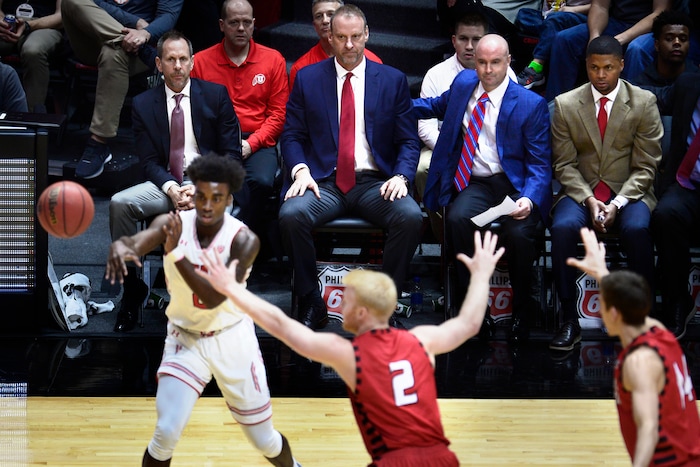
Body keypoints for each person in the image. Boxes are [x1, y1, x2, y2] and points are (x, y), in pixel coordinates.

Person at [196, 230, 504, 466]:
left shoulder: (348, 354)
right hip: (442, 458)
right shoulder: (421, 340)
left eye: (348, 298)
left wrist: (232, 290)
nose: (340, 303)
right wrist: (481, 276)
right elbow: (469, 324)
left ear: (362, 313)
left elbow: (282, 326)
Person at [105, 154, 301, 467]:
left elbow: (213, 297)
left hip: (232, 339)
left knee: (264, 439)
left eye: (216, 198)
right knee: (165, 434)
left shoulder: (244, 240)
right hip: (185, 338)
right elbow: (140, 240)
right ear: (191, 194)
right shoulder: (172, 224)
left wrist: (177, 255)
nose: (207, 205)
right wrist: (123, 246)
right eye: (201, 196)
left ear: (229, 200)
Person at [279, 4, 424, 330]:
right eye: (340, 37)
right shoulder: (308, 78)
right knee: (290, 216)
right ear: (329, 37)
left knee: (412, 217)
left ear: (366, 35)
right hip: (325, 182)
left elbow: (409, 141)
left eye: (355, 37)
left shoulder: (392, 80)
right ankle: (311, 302)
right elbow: (291, 136)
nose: (348, 45)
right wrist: (300, 170)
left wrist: (402, 175)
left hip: (375, 182)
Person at [412, 34, 552, 344]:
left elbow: (541, 166)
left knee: (518, 235)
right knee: (458, 219)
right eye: (482, 63)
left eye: (495, 63)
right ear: (474, 62)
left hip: (516, 185)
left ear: (508, 61)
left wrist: (529, 199)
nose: (488, 70)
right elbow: (433, 105)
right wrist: (388, 105)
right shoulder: (464, 84)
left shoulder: (531, 104)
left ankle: (523, 309)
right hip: (477, 182)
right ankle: (474, 309)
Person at [109, 30, 243, 333]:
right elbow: (148, 163)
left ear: (193, 62)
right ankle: (132, 290)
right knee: (119, 204)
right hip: (166, 182)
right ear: (159, 64)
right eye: (171, 59)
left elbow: (232, 156)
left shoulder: (215, 95)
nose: (178, 65)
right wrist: (171, 188)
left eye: (184, 59)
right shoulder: (143, 104)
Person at [549, 35, 662, 351]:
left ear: (622, 66)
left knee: (638, 228)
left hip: (629, 193)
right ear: (586, 65)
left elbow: (646, 167)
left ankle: (641, 320)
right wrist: (589, 199)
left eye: (608, 68)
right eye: (594, 68)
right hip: (580, 192)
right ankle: (569, 319)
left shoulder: (643, 102)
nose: (601, 75)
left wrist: (618, 202)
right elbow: (564, 165)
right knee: (561, 228)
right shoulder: (566, 104)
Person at [566, 227, 700, 466]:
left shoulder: (640, 362)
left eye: (602, 305)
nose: (599, 311)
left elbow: (648, 427)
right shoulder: (659, 332)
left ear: (615, 313)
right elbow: (623, 298)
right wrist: (602, 273)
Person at [191, 0, 288, 238]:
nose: (241, 28)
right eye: (234, 23)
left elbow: (278, 115)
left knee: (263, 182)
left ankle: (242, 240)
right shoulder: (201, 61)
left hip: (257, 140)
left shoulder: (273, 59)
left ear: (254, 25)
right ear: (222, 25)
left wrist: (251, 144)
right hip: (213, 141)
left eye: (247, 22)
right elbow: (191, 111)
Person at [417, 11, 517, 242]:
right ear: (454, 41)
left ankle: (482, 236)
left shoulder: (507, 75)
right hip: (443, 145)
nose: (470, 46)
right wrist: (456, 152)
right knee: (424, 166)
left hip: (490, 150)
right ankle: (443, 236)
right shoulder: (436, 74)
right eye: (463, 39)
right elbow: (425, 127)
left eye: (476, 39)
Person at [61, 0, 183, 179]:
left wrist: (145, 32)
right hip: (94, 39)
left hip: (139, 45)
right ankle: (135, 46)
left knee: (113, 54)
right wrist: (135, 23)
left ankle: (98, 143)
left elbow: (168, 16)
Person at [650, 71, 700, 339]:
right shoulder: (689, 82)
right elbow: (658, 96)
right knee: (666, 215)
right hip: (689, 183)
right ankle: (678, 302)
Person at [544, 0, 672, 102]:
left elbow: (659, 12)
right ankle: (555, 108)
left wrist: (619, 40)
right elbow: (600, 6)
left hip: (649, 28)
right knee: (565, 39)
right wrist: (594, 37)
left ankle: (628, 111)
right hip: (616, 22)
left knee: (636, 49)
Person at [288, 0, 382, 90]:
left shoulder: (373, 61)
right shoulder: (301, 68)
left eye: (331, 14)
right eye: (319, 16)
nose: (325, 20)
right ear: (314, 25)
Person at [0, 0, 63, 112]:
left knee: (33, 51)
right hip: (9, 20)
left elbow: (62, 15)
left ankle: (30, 117)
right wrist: (2, 22)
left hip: (45, 24)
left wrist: (28, 25)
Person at [514, 0, 592, 89]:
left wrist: (573, 9)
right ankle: (549, 30)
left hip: (584, 16)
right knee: (524, 14)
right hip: (559, 13)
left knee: (554, 20)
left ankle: (536, 67)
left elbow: (599, 7)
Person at [629, 10, 698, 88]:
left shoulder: (697, 78)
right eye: (669, 39)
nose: (677, 42)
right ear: (657, 45)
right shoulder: (640, 85)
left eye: (683, 39)